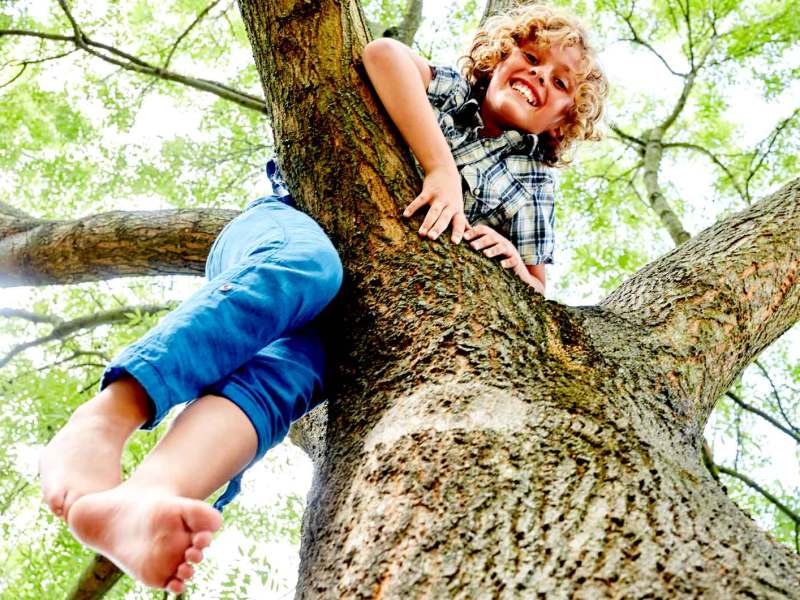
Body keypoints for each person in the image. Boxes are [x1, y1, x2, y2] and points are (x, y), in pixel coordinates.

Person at [38, 3, 607, 593]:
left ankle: (150, 495)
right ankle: (111, 414)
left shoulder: (534, 183)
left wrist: (512, 260)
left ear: (564, 117)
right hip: (289, 226)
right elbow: (382, 55)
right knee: (306, 268)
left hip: (354, 312)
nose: (540, 76)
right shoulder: (447, 91)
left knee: (293, 377)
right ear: (495, 61)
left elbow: (538, 288)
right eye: (530, 58)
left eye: (560, 82)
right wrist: (441, 169)